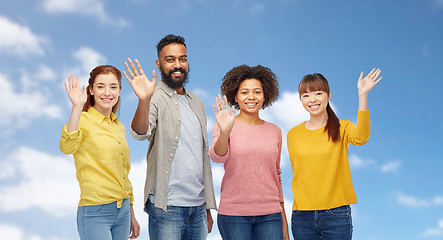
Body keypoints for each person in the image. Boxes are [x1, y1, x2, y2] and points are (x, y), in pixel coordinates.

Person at [123, 34, 217, 240]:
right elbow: (140, 133)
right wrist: (144, 100)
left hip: (198, 207)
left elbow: (200, 157)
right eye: (170, 59)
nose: (178, 65)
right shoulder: (154, 96)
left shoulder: (198, 103)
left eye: (182, 59)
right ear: (159, 64)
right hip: (167, 206)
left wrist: (207, 206)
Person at [287, 68, 382, 239]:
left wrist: (362, 95)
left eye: (318, 93)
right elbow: (297, 171)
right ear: (301, 99)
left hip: (336, 213)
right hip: (302, 216)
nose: (312, 100)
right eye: (306, 95)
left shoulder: (341, 127)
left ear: (329, 95)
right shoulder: (293, 134)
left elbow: (362, 137)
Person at [59, 65, 140, 240]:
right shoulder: (83, 119)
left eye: (113, 87)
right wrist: (76, 108)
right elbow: (67, 147)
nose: (107, 92)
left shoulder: (119, 127)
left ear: (119, 91)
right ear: (91, 90)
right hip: (95, 212)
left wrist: (131, 212)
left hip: (123, 210)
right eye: (101, 86)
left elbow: (124, 173)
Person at [208, 65, 289, 240]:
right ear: (235, 96)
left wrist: (283, 219)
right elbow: (217, 157)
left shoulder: (275, 131)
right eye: (244, 92)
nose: (251, 97)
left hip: (270, 215)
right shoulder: (224, 125)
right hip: (233, 214)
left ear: (265, 95)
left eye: (257, 92)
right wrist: (225, 132)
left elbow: (277, 174)